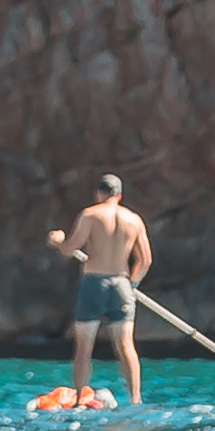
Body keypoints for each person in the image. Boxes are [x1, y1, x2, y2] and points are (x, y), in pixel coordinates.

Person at [44, 173, 152, 411]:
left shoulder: (90, 215)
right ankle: (135, 399)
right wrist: (132, 284)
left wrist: (58, 241)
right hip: (121, 284)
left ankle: (80, 398)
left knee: (84, 347)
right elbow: (145, 260)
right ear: (119, 195)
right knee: (126, 345)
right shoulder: (134, 220)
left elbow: (70, 249)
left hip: (94, 282)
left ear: (98, 194)